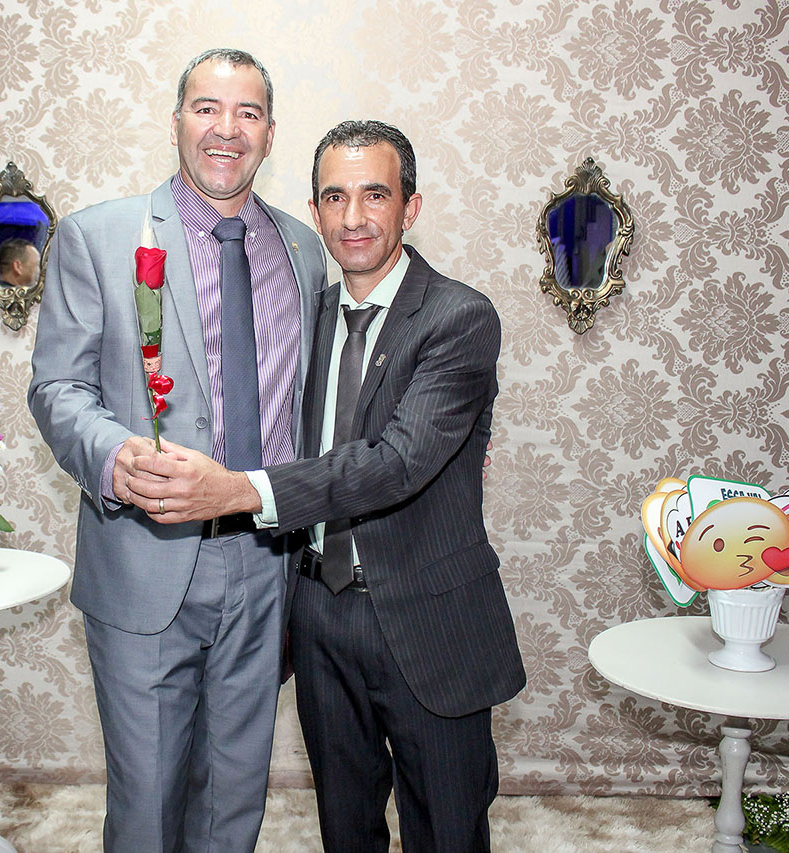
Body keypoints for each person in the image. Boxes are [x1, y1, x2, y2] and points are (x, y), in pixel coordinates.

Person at [127, 120, 526, 852]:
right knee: (344, 827)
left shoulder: (459, 317)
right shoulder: (304, 315)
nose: (353, 217)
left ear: (410, 207)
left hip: (429, 617)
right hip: (319, 610)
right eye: (335, 197)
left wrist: (239, 491)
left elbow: (396, 463)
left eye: (375, 195)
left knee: (447, 831)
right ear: (314, 212)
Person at [26, 49, 328, 852]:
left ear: (269, 134)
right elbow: (57, 388)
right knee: (149, 803)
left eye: (248, 113)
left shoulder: (304, 250)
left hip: (265, 564)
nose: (227, 129)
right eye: (207, 108)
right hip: (145, 559)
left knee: (235, 796)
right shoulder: (99, 236)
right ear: (175, 122)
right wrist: (114, 456)